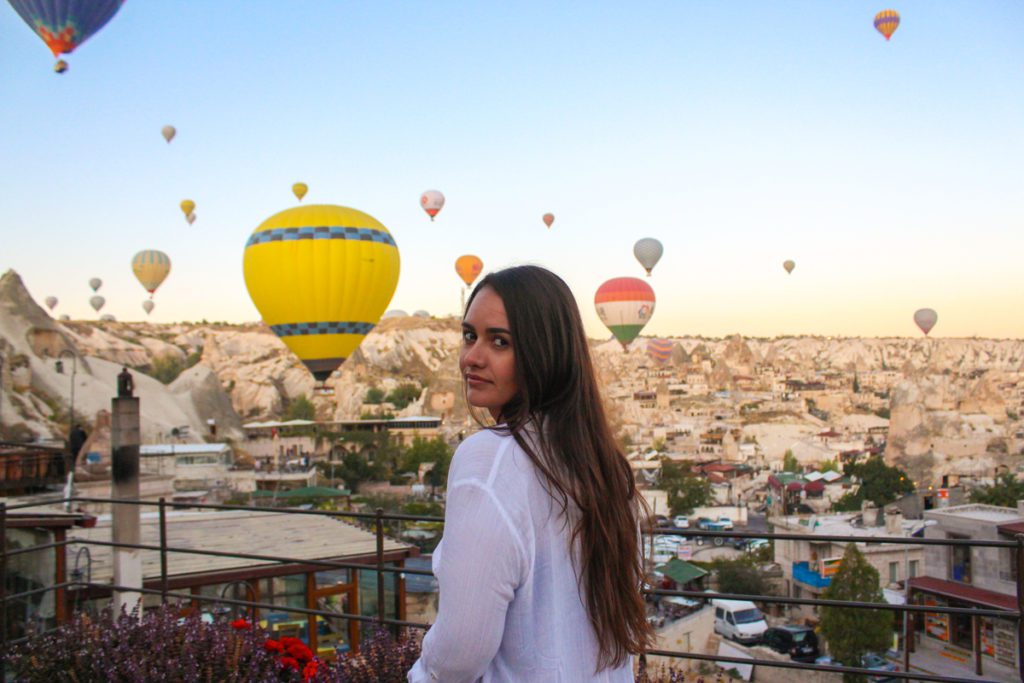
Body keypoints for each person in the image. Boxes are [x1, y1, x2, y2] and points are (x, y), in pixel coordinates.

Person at [408, 266, 652, 682]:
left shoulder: (490, 460)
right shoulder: (605, 468)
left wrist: (419, 674)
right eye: (470, 336)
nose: (472, 357)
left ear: (544, 352)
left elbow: (459, 651)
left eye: (499, 342)